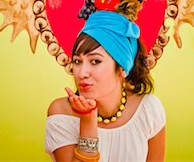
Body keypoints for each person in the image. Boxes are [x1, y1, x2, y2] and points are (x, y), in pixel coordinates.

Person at [44, 10, 166, 162]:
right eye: (77, 61)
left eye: (95, 61)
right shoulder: (62, 113)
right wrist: (88, 120)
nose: (82, 73)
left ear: (122, 68)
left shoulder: (148, 110)